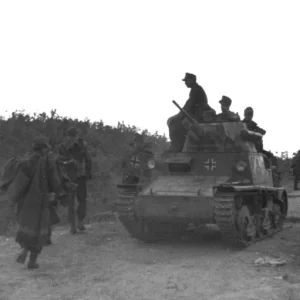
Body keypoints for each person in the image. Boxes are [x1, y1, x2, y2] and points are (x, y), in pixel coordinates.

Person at [9, 137, 62, 269]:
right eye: (46, 149)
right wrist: (58, 192)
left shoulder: (25, 163)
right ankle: (32, 261)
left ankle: (25, 250)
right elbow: (54, 182)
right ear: (42, 149)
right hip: (42, 202)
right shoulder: (47, 163)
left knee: (27, 228)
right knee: (40, 231)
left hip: (27, 203)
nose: (48, 151)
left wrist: (14, 199)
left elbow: (19, 185)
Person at [56, 126, 92, 233]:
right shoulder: (79, 146)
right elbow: (88, 160)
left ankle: (75, 224)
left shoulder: (64, 147)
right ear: (76, 135)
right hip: (75, 177)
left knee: (76, 201)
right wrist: (88, 173)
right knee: (78, 201)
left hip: (73, 177)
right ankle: (76, 224)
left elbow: (88, 159)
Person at [167, 73, 214, 151]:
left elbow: (190, 105)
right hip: (195, 113)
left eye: (186, 80)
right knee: (175, 120)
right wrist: (179, 114)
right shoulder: (195, 89)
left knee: (180, 122)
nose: (185, 82)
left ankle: (178, 145)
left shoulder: (196, 90)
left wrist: (179, 116)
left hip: (198, 114)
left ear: (191, 80)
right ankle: (178, 144)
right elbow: (188, 104)